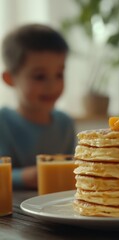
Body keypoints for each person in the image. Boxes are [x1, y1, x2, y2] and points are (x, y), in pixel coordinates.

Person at [0, 24, 76, 189]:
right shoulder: (2, 122)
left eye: (59, 74)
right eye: (40, 76)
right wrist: (26, 177)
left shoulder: (66, 124)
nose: (52, 85)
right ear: (10, 79)